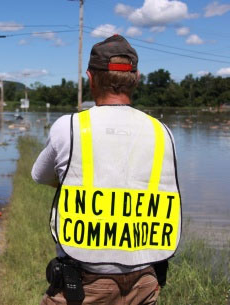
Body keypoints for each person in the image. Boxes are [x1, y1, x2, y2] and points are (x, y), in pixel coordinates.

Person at [32, 34, 182, 305]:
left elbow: (39, 175)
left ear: (90, 78)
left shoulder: (69, 128)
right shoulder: (163, 132)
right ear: (136, 78)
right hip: (146, 281)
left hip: (84, 285)